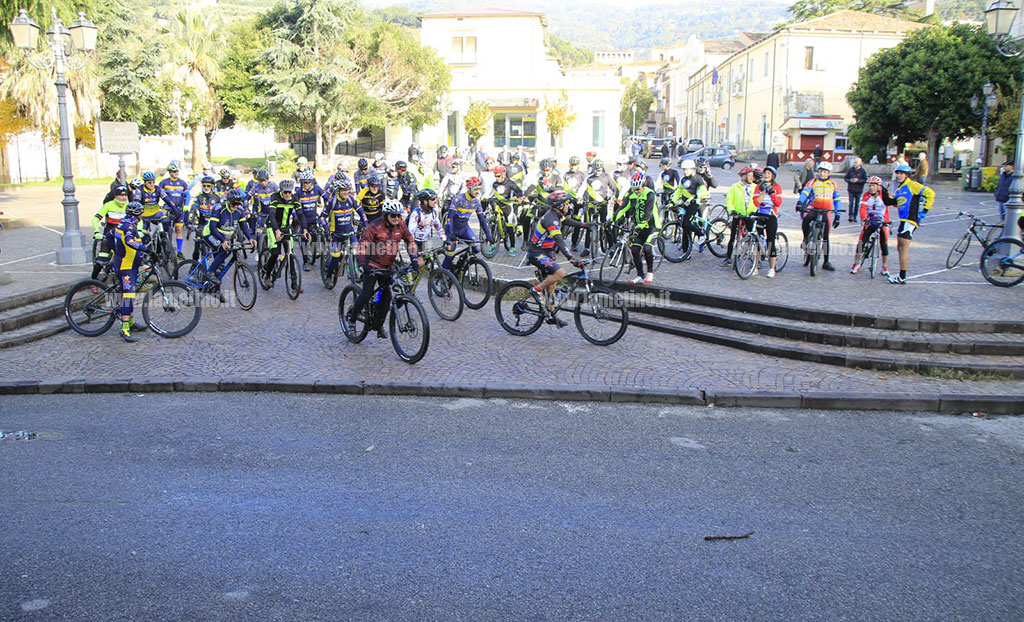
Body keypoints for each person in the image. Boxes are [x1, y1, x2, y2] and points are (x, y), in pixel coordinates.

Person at [347, 199, 420, 339]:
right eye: (393, 216)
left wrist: (414, 259)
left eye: (399, 215)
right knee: (366, 294)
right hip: (372, 265)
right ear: (386, 215)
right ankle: (351, 319)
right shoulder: (374, 227)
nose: (396, 218)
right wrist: (363, 266)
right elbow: (362, 246)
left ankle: (378, 324)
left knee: (386, 297)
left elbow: (410, 241)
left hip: (388, 266)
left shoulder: (401, 225)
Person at [526, 189, 588, 327]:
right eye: (567, 203)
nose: (569, 205)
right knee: (561, 273)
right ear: (560, 206)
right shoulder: (551, 219)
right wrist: (571, 258)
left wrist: (584, 225)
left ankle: (551, 315)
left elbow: (568, 221)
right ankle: (535, 289)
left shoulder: (558, 215)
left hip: (547, 252)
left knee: (552, 285)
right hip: (536, 253)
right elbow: (560, 241)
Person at [201, 188, 256, 291]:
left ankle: (216, 290)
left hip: (224, 237)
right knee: (225, 251)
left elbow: (244, 226)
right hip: (210, 234)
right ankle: (210, 272)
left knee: (221, 266)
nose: (235, 206)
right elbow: (213, 228)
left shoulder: (239, 211)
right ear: (228, 201)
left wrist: (250, 239)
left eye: (237, 204)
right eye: (233, 204)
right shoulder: (219, 209)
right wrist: (223, 241)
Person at [889, 163, 935, 284]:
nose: (899, 175)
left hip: (910, 220)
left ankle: (902, 276)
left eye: (901, 173)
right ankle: (901, 274)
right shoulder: (899, 188)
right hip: (903, 220)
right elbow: (893, 202)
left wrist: (925, 210)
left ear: (907, 175)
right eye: (898, 173)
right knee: (900, 247)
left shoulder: (912, 185)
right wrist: (883, 190)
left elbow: (930, 193)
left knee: (903, 248)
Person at [261, 179, 310, 289]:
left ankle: (294, 283)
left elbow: (301, 214)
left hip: (286, 228)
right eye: (285, 192)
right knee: (275, 252)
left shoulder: (294, 198)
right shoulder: (275, 197)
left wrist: (305, 229)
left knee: (290, 254)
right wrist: (277, 230)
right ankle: (267, 275)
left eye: (289, 192)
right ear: (281, 191)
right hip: (273, 227)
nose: (288, 194)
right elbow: (272, 215)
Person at [112, 201, 149, 342]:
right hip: (125, 267)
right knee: (128, 295)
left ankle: (131, 321)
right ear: (138, 214)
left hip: (129, 265)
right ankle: (125, 327)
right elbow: (129, 241)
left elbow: (110, 236)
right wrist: (144, 248)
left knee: (131, 293)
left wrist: (116, 252)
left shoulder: (123, 223)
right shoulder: (129, 226)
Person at [614, 172, 660, 284]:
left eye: (638, 189)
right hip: (640, 228)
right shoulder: (632, 196)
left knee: (647, 248)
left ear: (643, 185)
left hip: (653, 226)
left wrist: (639, 226)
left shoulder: (650, 194)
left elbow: (648, 214)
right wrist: (613, 218)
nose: (636, 191)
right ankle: (640, 275)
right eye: (634, 189)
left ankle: (649, 273)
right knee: (634, 250)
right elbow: (623, 208)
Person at [798, 161, 842, 272]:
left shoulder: (833, 184)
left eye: (825, 172)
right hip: (813, 208)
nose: (822, 173)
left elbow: (837, 200)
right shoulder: (812, 182)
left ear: (828, 173)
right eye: (821, 171)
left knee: (826, 237)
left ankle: (826, 261)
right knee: (806, 220)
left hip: (826, 211)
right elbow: (805, 193)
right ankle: (805, 239)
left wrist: (838, 215)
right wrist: (800, 203)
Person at [442, 176, 492, 272]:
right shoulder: (458, 199)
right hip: (452, 229)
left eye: (479, 189)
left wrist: (488, 235)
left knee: (477, 248)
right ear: (469, 189)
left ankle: (462, 259)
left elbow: (482, 220)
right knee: (450, 254)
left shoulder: (476, 202)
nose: (478, 192)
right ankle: (442, 275)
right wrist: (451, 234)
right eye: (475, 189)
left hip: (464, 229)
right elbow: (450, 218)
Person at [321, 180, 365, 282]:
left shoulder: (351, 200)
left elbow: (361, 212)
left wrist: (366, 224)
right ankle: (328, 276)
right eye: (343, 190)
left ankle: (355, 272)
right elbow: (322, 218)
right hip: (336, 234)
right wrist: (326, 229)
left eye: (347, 190)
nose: (346, 192)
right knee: (336, 257)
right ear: (338, 191)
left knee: (356, 252)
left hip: (350, 232)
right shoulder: (332, 202)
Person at [850, 176, 894, 276]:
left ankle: (885, 266)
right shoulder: (866, 195)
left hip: (882, 222)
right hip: (870, 222)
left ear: (879, 186)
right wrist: (864, 219)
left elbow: (894, 203)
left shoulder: (884, 195)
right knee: (861, 242)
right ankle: (856, 263)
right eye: (870, 185)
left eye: (873, 185)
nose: (871, 188)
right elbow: (863, 208)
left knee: (884, 244)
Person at [671, 159, 710, 255]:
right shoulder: (683, 179)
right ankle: (686, 252)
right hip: (685, 204)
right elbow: (679, 191)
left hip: (694, 203)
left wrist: (695, 196)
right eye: (684, 169)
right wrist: (672, 201)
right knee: (684, 227)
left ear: (692, 169)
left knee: (686, 222)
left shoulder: (697, 178)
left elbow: (704, 191)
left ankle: (701, 234)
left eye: (687, 169)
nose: (685, 171)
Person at [91, 185, 129, 280]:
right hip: (109, 237)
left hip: (123, 238)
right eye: (121, 195)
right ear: (115, 196)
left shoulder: (129, 206)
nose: (123, 197)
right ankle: (93, 280)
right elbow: (95, 219)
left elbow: (139, 220)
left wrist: (139, 231)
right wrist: (96, 232)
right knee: (102, 259)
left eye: (125, 195)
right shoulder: (108, 205)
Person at [751, 166, 783, 278]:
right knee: (757, 241)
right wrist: (763, 192)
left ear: (773, 176)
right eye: (765, 173)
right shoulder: (758, 187)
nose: (766, 175)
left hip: (771, 215)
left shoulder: (777, 187)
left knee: (770, 242)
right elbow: (756, 202)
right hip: (760, 214)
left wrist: (772, 192)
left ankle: (772, 268)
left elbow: (778, 203)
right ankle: (754, 267)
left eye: (769, 173)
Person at [486, 165, 525, 255]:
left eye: (498, 176)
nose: (497, 178)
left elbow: (519, 192)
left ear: (504, 174)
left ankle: (512, 247)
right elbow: (490, 192)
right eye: (495, 176)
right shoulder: (494, 184)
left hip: (507, 206)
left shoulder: (510, 183)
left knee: (509, 226)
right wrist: (484, 196)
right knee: (493, 222)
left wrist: (516, 198)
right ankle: (492, 244)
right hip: (497, 204)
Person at [722, 166, 756, 266]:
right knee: (733, 237)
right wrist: (732, 210)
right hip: (738, 214)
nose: (751, 178)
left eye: (752, 176)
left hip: (749, 215)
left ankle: (752, 256)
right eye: (749, 175)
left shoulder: (755, 187)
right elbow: (729, 200)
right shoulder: (735, 186)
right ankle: (728, 257)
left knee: (752, 236)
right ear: (743, 176)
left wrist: (754, 211)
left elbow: (758, 201)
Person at [295, 171, 328, 270]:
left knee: (317, 235)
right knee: (304, 240)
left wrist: (326, 209)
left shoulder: (317, 188)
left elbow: (327, 198)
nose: (307, 184)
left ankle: (317, 252)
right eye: (305, 182)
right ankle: (306, 261)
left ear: (312, 182)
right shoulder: (299, 192)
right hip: (304, 219)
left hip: (314, 217)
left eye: (309, 182)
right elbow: (294, 205)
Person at [158, 162, 190, 260]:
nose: (176, 173)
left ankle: (179, 251)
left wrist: (187, 205)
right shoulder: (164, 182)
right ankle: (166, 249)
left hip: (179, 209)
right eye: (174, 171)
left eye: (177, 171)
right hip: (167, 208)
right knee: (166, 229)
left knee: (179, 230)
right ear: (169, 172)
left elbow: (188, 195)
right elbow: (158, 193)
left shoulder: (182, 183)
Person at [189, 175, 221, 261]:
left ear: (213, 186)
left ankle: (218, 265)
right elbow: (193, 209)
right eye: (204, 186)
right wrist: (190, 220)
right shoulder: (199, 196)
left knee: (216, 246)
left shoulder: (217, 197)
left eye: (208, 186)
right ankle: (194, 263)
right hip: (202, 223)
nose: (206, 188)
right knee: (197, 246)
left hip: (214, 224)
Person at [407, 188, 446, 254]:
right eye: (433, 199)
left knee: (430, 258)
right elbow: (410, 232)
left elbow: (438, 228)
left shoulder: (433, 213)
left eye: (436, 199)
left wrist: (444, 240)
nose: (436, 201)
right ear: (425, 201)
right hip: (414, 241)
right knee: (419, 262)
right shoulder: (416, 213)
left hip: (426, 241)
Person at [844, 157, 867, 223]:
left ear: (860, 163)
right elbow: (846, 178)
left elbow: (865, 180)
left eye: (856, 162)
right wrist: (850, 180)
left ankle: (855, 216)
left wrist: (858, 180)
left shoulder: (862, 171)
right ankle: (850, 216)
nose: (855, 164)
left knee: (857, 204)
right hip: (851, 189)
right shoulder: (850, 170)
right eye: (854, 162)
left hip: (858, 190)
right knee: (851, 203)